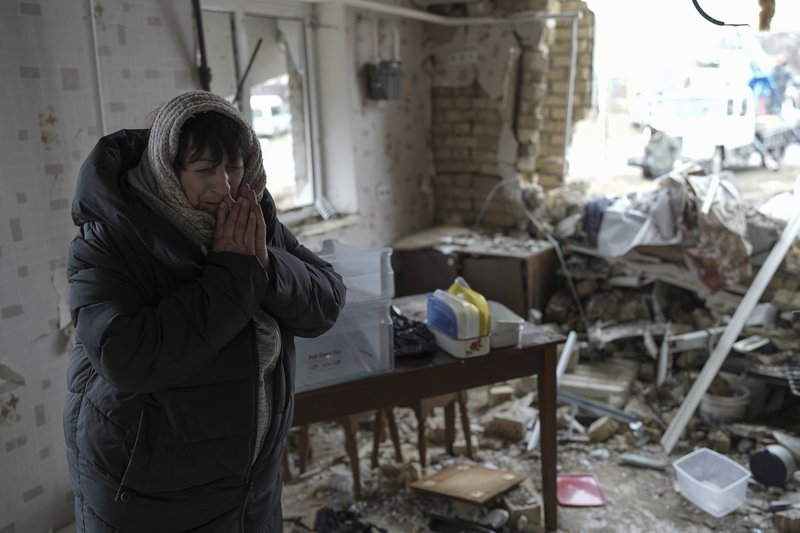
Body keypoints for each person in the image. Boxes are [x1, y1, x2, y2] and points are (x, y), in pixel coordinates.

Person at [65, 90, 346, 532]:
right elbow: (127, 358)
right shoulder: (112, 238)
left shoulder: (253, 215)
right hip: (153, 493)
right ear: (166, 169)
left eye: (233, 166)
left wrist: (266, 267)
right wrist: (235, 272)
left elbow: (327, 301)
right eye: (203, 170)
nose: (225, 186)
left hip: (249, 486)